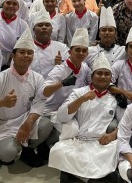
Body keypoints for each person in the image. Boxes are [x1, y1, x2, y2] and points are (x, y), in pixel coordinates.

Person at [0, 28, 53, 167]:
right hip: (5, 122)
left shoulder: (37, 78)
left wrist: (28, 122)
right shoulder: (0, 77)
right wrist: (2, 102)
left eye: (29, 52)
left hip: (26, 119)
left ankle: (27, 150)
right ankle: (16, 145)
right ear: (13, 56)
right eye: (22, 52)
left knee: (46, 125)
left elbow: (40, 103)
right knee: (7, 155)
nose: (26, 55)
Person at [48, 53, 119, 182]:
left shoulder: (115, 98)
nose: (103, 76)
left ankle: (79, 176)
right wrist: (81, 99)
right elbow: (62, 116)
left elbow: (126, 122)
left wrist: (112, 135)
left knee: (115, 151)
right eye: (99, 73)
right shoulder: (79, 92)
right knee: (58, 151)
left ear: (111, 78)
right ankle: (89, 179)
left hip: (101, 143)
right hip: (78, 141)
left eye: (106, 74)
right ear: (92, 77)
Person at [41, 28, 92, 131]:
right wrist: (62, 83)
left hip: (72, 109)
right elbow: (44, 91)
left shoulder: (85, 67)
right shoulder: (59, 69)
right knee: (71, 132)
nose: (81, 53)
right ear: (69, 52)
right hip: (52, 111)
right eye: (77, 50)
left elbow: (93, 83)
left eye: (84, 51)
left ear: (87, 54)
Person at [110, 25, 132, 109]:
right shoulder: (119, 65)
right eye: (131, 46)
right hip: (122, 107)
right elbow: (108, 85)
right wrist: (124, 92)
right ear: (126, 50)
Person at [30, 9, 69, 79]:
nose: (44, 27)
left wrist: (62, 63)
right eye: (40, 25)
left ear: (52, 29)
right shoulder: (26, 48)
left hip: (54, 87)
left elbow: (71, 68)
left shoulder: (62, 47)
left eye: (47, 25)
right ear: (34, 30)